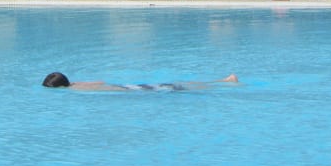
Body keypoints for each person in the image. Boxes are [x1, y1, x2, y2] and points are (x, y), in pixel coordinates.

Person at [42, 72, 239, 91]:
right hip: (130, 87)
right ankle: (224, 80)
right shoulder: (76, 84)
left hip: (132, 90)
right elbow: (101, 81)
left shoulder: (76, 90)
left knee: (179, 88)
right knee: (177, 86)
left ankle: (225, 80)